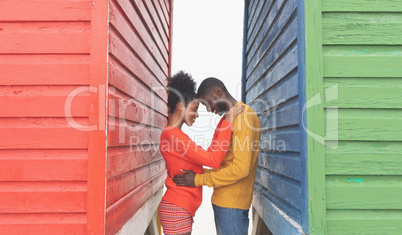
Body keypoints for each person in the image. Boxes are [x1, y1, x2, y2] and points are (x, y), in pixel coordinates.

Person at [158, 71, 245, 235]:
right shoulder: (173, 136)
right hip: (177, 208)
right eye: (194, 109)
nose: (197, 114)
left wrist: (223, 123)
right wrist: (228, 123)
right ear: (180, 106)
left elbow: (209, 154)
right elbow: (213, 160)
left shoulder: (174, 135)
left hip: (179, 208)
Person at [173, 77, 261, 235]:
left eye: (207, 103)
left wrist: (198, 180)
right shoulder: (229, 119)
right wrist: (199, 174)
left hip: (232, 206)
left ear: (218, 92)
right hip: (224, 203)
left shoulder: (244, 118)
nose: (208, 110)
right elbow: (220, 162)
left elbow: (240, 170)